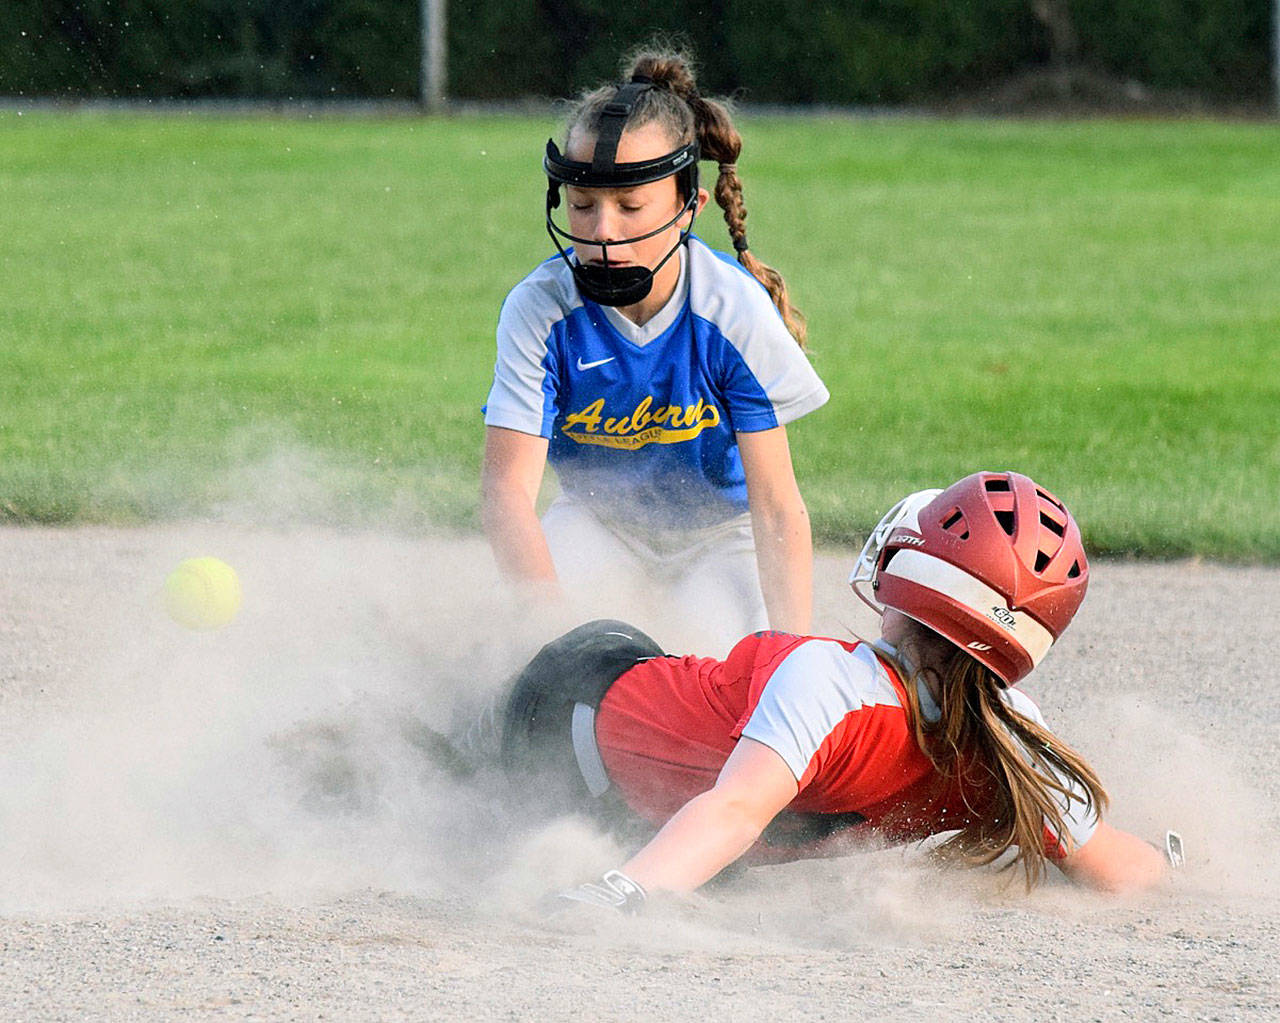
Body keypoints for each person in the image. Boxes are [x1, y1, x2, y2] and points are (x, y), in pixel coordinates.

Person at [489, 471, 1178, 912]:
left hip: (575, 722)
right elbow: (1116, 865)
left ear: (912, 582)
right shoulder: (1016, 738)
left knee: (463, 764)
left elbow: (732, 811)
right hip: (584, 696)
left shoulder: (833, 682)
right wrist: (1173, 863)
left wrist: (624, 889)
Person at [481, 46, 829, 648]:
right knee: (533, 649)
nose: (602, 231)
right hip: (599, 525)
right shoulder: (540, 310)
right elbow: (507, 492)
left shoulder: (730, 309)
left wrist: (791, 655)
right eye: (583, 205)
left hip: (722, 536)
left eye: (630, 206)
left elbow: (775, 510)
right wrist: (549, 636)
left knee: (707, 658)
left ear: (688, 207)